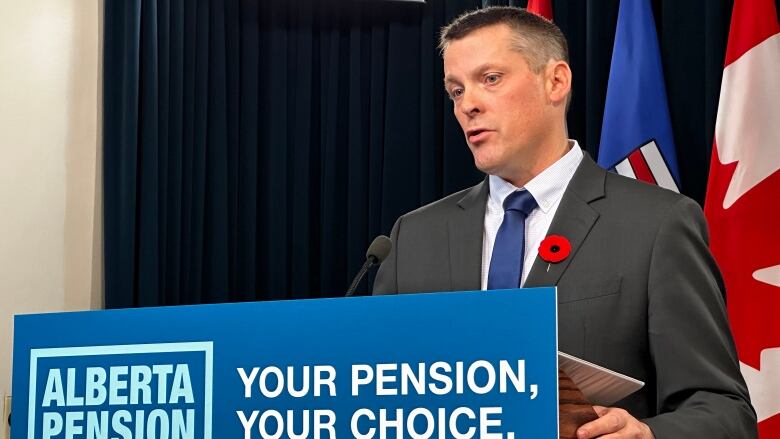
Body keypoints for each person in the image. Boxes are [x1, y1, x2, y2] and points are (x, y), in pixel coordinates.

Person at [373, 6, 756, 439]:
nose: (469, 105)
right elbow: (376, 394)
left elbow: (722, 410)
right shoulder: (414, 237)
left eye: (490, 79)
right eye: (456, 91)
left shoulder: (657, 225)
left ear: (556, 81)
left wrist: (649, 435)